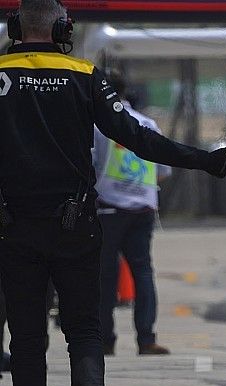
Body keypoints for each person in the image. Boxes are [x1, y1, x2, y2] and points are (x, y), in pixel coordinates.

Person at [0, 0, 226, 386]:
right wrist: (205, 160)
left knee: (26, 342)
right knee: (84, 331)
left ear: (14, 27)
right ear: (64, 29)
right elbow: (138, 138)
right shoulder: (84, 75)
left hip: (15, 228)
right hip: (77, 226)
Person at [93, 74, 172, 356]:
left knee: (104, 275)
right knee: (143, 272)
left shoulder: (99, 126)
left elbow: (89, 164)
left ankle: (105, 339)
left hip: (109, 208)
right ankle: (147, 339)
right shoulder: (148, 124)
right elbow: (163, 171)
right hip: (144, 208)